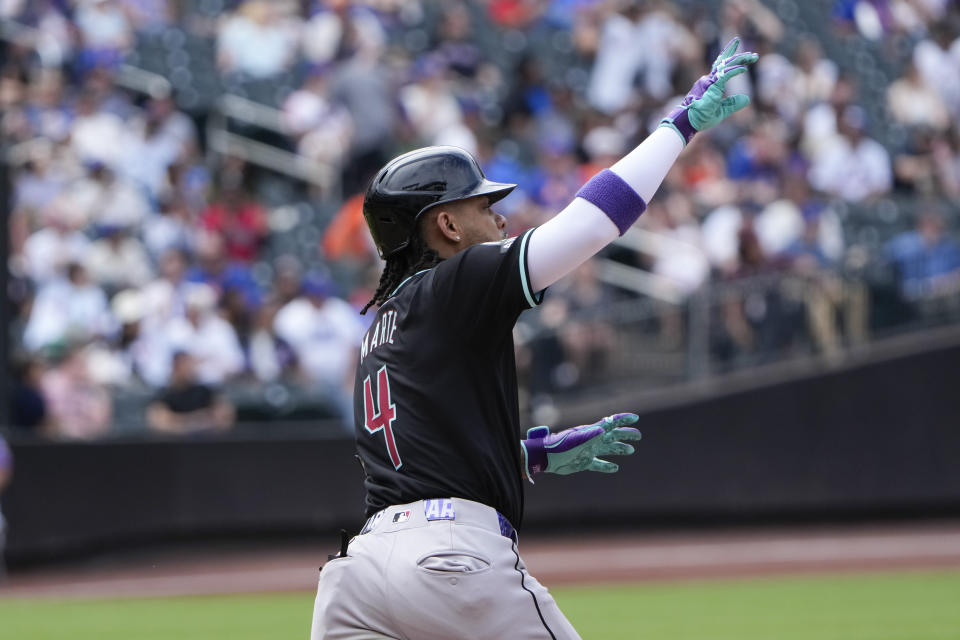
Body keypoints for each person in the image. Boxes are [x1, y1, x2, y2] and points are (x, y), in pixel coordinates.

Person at [310, 38, 758, 639]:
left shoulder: (382, 326)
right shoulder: (453, 283)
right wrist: (678, 126)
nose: (499, 216)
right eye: (481, 204)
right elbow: (593, 222)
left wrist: (529, 455)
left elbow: (421, 464)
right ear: (444, 224)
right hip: (450, 559)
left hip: (358, 576)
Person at [146, 351, 235, 435]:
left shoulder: (204, 391)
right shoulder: (164, 394)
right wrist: (197, 420)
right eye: (184, 365)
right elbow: (159, 423)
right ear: (175, 367)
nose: (189, 368)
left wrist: (177, 421)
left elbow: (224, 416)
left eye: (190, 364)